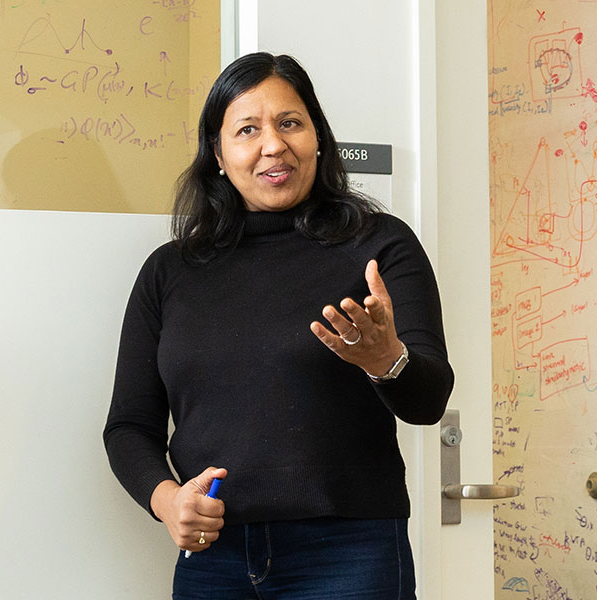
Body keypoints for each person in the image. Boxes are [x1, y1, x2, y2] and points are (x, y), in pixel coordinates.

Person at [103, 52, 454, 600]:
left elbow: (427, 401)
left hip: (350, 554)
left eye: (290, 122)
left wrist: (387, 361)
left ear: (318, 137)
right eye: (248, 129)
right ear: (218, 153)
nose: (273, 144)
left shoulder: (381, 245)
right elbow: (128, 426)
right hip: (213, 558)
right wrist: (167, 500)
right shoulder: (169, 271)